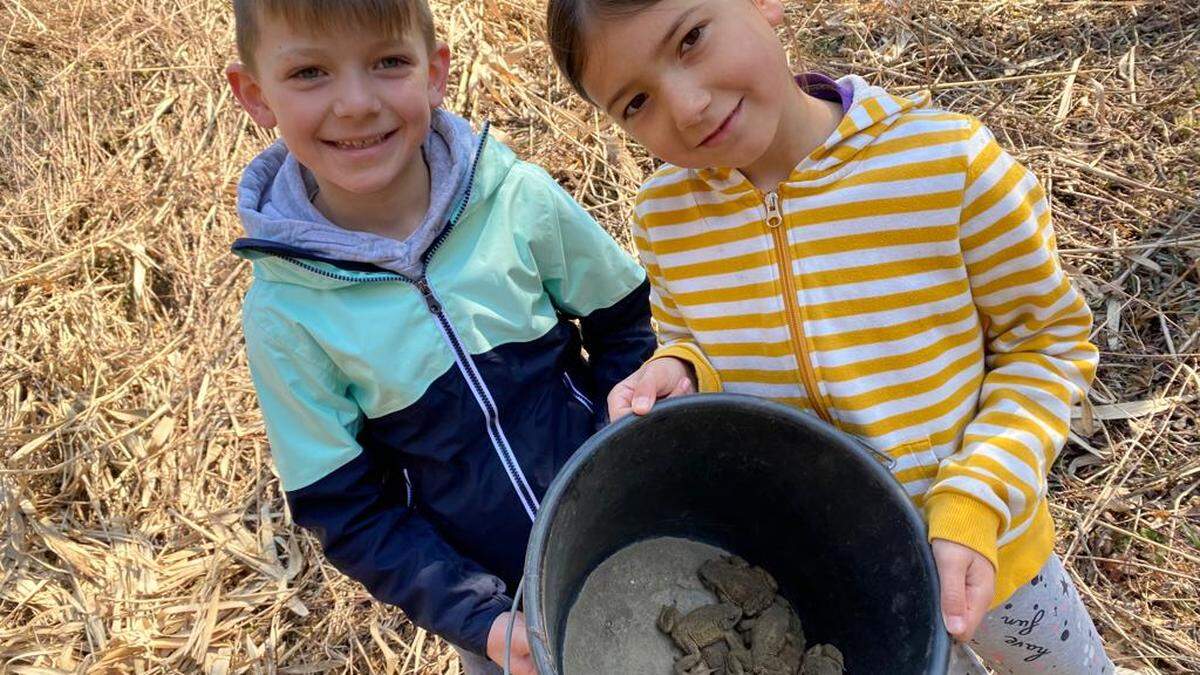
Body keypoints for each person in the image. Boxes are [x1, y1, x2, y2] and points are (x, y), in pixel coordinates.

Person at [545, 0, 1113, 672]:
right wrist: (684, 368)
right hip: (829, 582)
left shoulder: (942, 166)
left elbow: (1046, 344)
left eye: (692, 38)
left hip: (991, 557)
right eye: (636, 102)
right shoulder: (666, 219)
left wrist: (977, 497)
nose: (688, 105)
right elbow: (688, 333)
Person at [226, 1, 656, 672]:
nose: (356, 103)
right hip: (507, 616)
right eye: (311, 71)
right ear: (255, 95)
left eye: (388, 62)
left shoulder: (516, 198)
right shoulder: (286, 317)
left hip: (641, 529)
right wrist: (478, 616)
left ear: (435, 72)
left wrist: (629, 453)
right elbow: (349, 510)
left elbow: (627, 320)